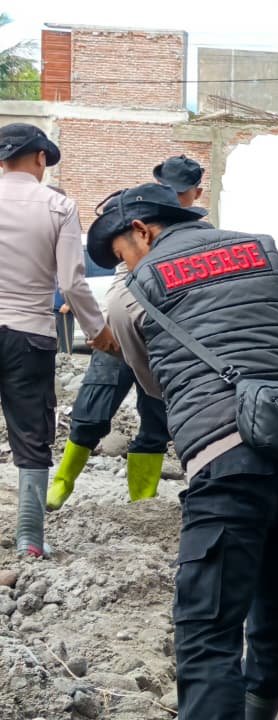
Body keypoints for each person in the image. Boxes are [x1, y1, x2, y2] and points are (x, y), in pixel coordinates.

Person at [90, 182, 278, 720]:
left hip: (225, 460)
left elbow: (155, 384)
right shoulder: (270, 253)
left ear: (142, 231)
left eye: (122, 254)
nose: (123, 266)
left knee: (207, 630)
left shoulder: (132, 291)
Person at [46, 155, 207, 513]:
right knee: (92, 409)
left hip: (164, 340)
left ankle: (142, 500)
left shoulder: (197, 235)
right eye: (167, 189)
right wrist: (103, 328)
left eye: (181, 192)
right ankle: (62, 482)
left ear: (196, 193)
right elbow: (121, 282)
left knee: (156, 421)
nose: (173, 197)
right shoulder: (135, 223)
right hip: (120, 333)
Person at [0, 122, 115, 558]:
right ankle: (29, 540)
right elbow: (71, 281)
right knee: (32, 435)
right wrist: (97, 331)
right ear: (40, 158)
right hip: (29, 335)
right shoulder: (58, 206)